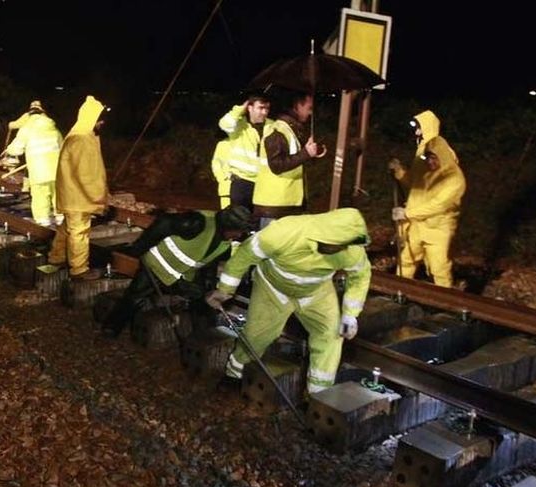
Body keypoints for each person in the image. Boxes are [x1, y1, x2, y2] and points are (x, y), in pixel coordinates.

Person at [205, 208, 371, 396]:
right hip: (273, 289)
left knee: (331, 335)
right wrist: (225, 290)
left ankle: (319, 395)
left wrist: (350, 316)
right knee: (255, 337)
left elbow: (360, 276)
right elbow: (245, 254)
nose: (334, 248)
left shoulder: (352, 252)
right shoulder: (284, 232)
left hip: (316, 292)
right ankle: (233, 375)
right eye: (330, 243)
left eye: (339, 245)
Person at [101, 206, 253, 338]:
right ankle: (112, 328)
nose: (238, 236)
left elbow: (208, 264)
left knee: (199, 301)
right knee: (134, 297)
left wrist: (207, 288)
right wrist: (140, 248)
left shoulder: (225, 244)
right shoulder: (197, 222)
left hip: (181, 276)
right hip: (156, 266)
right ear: (227, 226)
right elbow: (163, 223)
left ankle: (201, 335)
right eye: (237, 231)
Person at [388, 110, 466, 288]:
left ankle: (443, 303)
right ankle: (397, 292)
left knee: (439, 268)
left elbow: (439, 204)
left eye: (419, 129)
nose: (416, 133)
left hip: (438, 227)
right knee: (406, 260)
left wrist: (407, 213)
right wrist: (399, 172)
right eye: (428, 159)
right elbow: (415, 184)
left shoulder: (452, 174)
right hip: (417, 223)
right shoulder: (424, 159)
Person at [47, 94, 109, 280]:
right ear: (93, 119)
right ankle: (79, 270)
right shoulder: (84, 139)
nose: (102, 124)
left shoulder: (76, 134)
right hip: (78, 197)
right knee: (79, 232)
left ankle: (56, 258)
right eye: (100, 120)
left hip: (69, 193)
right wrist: (99, 199)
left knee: (66, 229)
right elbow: (88, 176)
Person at [252, 92, 325, 227]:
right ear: (298, 105)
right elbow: (277, 165)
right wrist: (305, 154)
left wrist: (310, 153)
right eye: (309, 108)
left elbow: (293, 161)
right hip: (274, 207)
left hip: (286, 205)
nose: (311, 113)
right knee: (271, 247)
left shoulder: (290, 130)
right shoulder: (277, 131)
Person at [4, 99, 63, 225]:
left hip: (38, 171)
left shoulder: (26, 128)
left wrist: (8, 149)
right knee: (58, 196)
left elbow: (16, 150)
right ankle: (61, 218)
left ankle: (43, 223)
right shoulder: (53, 128)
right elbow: (62, 146)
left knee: (40, 197)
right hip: (56, 171)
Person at [217, 94, 272, 210]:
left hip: (263, 182)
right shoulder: (239, 125)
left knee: (259, 224)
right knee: (239, 222)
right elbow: (224, 124)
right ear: (250, 108)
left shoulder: (272, 125)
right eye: (261, 108)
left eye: (267, 108)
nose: (264, 112)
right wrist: (240, 109)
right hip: (241, 182)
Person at [210, 138, 232, 208]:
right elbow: (216, 163)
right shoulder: (223, 144)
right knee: (226, 214)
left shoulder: (250, 143)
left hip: (245, 186)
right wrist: (222, 178)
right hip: (227, 186)